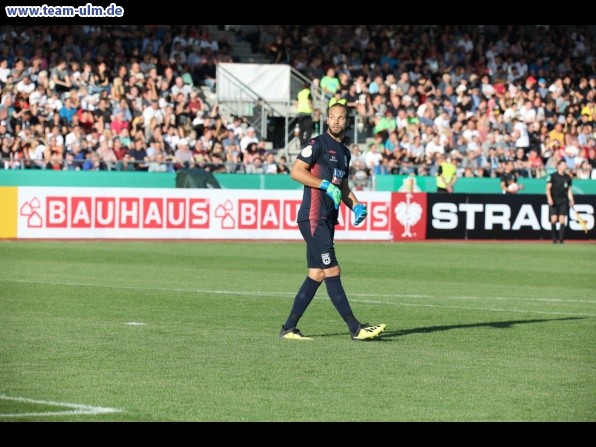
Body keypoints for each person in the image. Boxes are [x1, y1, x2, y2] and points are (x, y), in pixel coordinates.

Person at [279, 97, 386, 341]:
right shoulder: (317, 143)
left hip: (328, 219)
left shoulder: (345, 152)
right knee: (332, 269)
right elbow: (296, 172)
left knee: (316, 273)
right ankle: (355, 328)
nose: (336, 121)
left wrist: (356, 206)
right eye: (332, 117)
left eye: (341, 118)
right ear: (327, 119)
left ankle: (288, 328)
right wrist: (324, 184)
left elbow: (344, 186)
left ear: (346, 121)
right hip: (314, 218)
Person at [546, 159, 575, 244]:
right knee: (554, 219)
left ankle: (561, 240)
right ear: (558, 166)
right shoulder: (552, 176)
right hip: (554, 199)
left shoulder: (567, 177)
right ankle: (554, 239)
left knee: (562, 219)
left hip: (563, 200)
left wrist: (571, 199)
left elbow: (569, 190)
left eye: (565, 165)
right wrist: (549, 198)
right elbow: (548, 189)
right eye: (563, 165)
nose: (565, 166)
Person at [296, 82, 314, 148]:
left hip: (300, 112)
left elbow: (296, 102)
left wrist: (298, 108)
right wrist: (313, 110)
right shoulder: (308, 93)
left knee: (301, 129)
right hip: (307, 112)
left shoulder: (300, 93)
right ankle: (305, 143)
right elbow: (309, 102)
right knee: (309, 129)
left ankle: (302, 143)